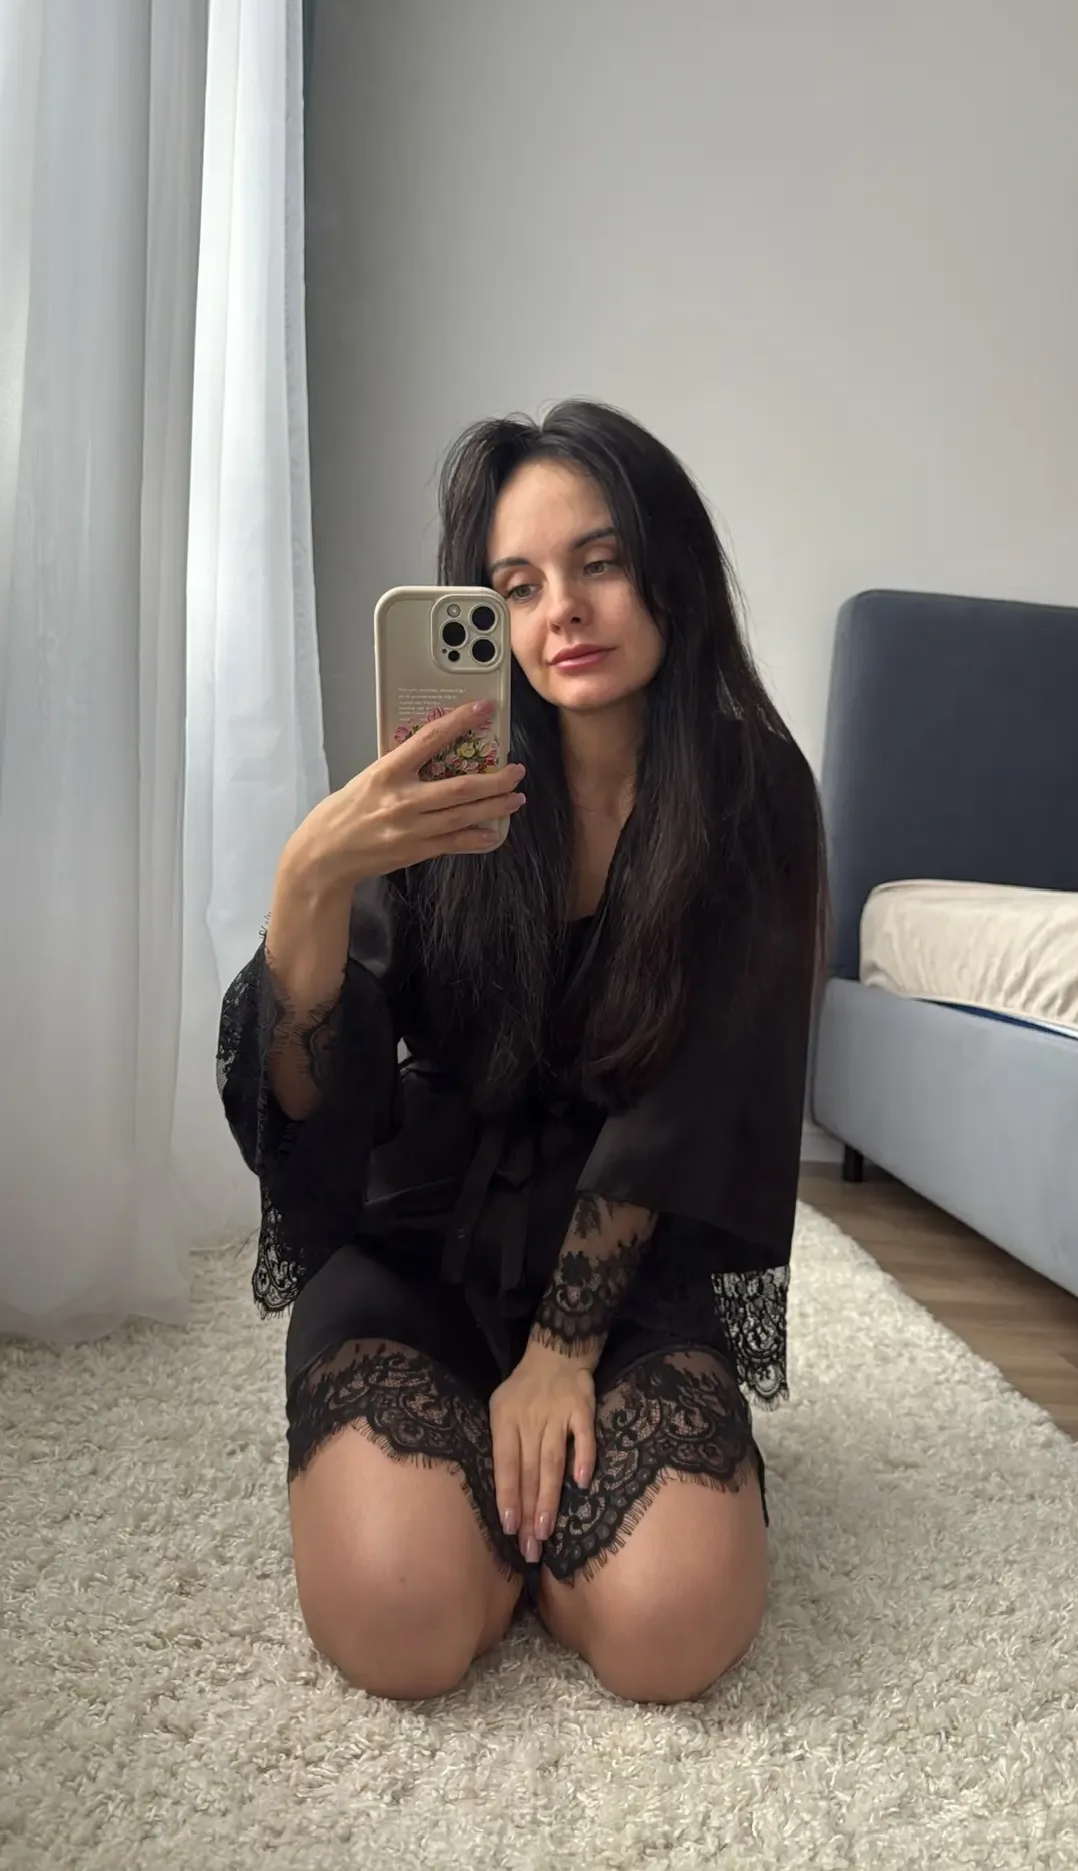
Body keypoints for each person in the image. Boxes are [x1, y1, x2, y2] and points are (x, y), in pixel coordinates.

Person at [217, 399, 826, 1707]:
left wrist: (562, 1350)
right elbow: (320, 1110)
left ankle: (537, 1527)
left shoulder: (754, 792)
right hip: (420, 1241)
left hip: (629, 1261)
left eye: (601, 563)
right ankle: (478, 1530)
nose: (564, 611)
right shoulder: (452, 780)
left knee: (671, 1634)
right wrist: (309, 885)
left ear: (671, 568)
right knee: (401, 1628)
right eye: (517, 585)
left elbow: (702, 1097)